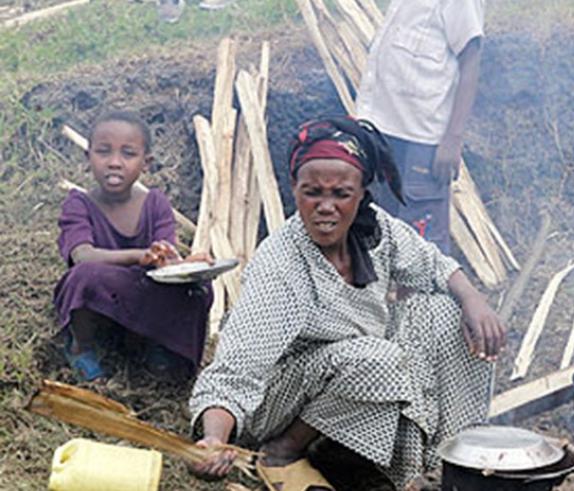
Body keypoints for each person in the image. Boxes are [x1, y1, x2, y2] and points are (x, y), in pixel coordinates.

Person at [188, 117, 505, 490]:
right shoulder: (282, 263)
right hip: (281, 399)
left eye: (341, 194)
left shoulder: (376, 231)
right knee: (377, 358)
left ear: (360, 194)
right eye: (312, 192)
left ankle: (447, 460)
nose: (326, 207)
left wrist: (474, 300)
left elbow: (434, 266)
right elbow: (237, 370)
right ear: (294, 189)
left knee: (445, 315)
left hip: (358, 378)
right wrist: (214, 438)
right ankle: (283, 452)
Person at [54, 110, 213, 383]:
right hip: (101, 297)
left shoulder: (155, 203)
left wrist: (187, 264)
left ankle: (158, 344)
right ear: (88, 156)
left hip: (142, 291)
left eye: (128, 154)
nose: (115, 162)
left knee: (198, 288)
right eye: (104, 152)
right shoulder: (78, 204)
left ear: (146, 162)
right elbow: (82, 256)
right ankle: (82, 346)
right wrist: (140, 256)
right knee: (85, 276)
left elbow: (165, 259)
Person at [355, 0, 484, 254]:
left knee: (422, 244)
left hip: (423, 142)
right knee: (382, 229)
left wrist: (452, 139)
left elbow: (471, 60)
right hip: (384, 132)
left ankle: (423, 293)